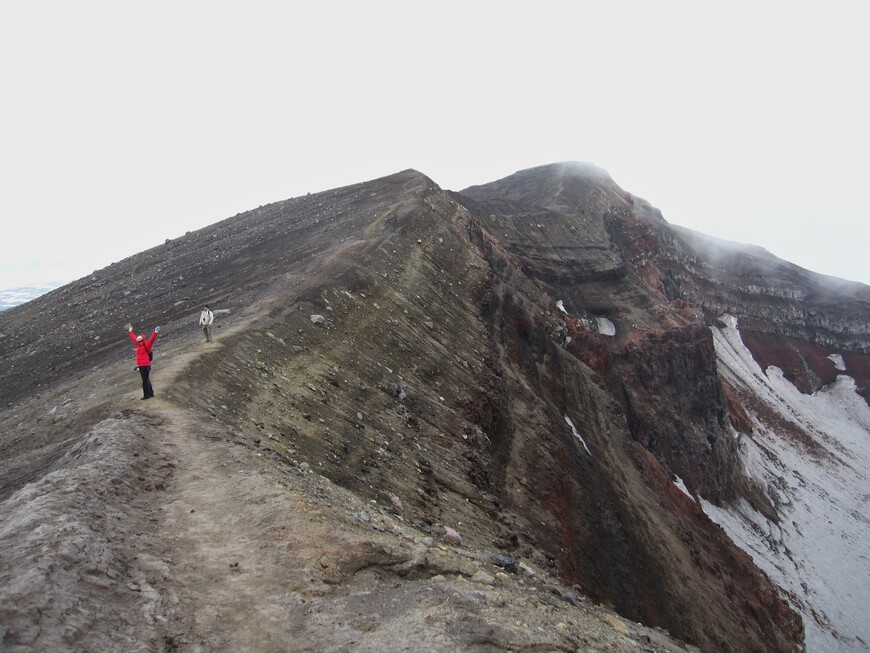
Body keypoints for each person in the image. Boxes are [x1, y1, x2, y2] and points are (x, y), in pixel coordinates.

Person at [125, 323, 159, 399]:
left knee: (145, 381)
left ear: (143, 340)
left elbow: (152, 340)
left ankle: (146, 395)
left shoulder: (147, 346)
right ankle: (151, 393)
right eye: (139, 341)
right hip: (141, 365)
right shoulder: (138, 346)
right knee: (146, 379)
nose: (140, 342)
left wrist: (155, 332)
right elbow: (133, 338)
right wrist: (130, 331)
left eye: (141, 341)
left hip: (145, 365)